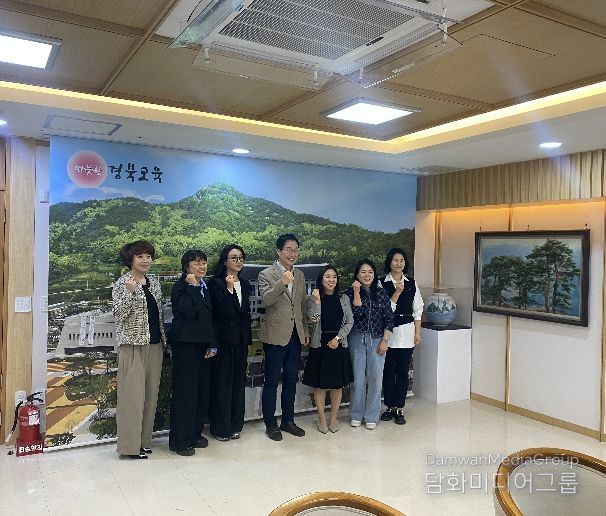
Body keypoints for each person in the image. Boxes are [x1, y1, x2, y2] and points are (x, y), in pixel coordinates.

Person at [112, 240, 166, 459]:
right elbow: (119, 314)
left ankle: (144, 443)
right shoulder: (122, 283)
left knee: (150, 397)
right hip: (133, 346)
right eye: (140, 256)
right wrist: (129, 292)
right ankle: (129, 447)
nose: (145, 260)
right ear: (131, 260)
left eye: (148, 256)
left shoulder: (154, 283)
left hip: (155, 345)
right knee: (131, 399)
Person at [258, 233, 309, 441]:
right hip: (275, 336)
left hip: (295, 335)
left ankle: (288, 420)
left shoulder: (300, 275)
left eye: (295, 250)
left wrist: (305, 332)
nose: (292, 254)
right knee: (271, 381)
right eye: (288, 249)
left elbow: (302, 305)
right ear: (278, 252)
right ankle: (270, 424)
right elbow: (266, 300)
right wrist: (282, 282)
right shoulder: (266, 274)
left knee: (291, 380)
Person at [168, 250, 217, 456]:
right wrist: (193, 287)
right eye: (197, 263)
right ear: (186, 267)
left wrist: (212, 344)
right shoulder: (181, 286)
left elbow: (209, 318)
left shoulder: (205, 285)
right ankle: (179, 441)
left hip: (203, 346)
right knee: (185, 393)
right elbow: (188, 311)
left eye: (204, 262)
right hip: (186, 345)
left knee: (200, 392)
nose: (202, 266)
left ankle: (195, 434)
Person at [207, 244, 252, 441]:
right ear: (225, 261)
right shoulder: (215, 283)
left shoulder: (245, 283)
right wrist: (229, 289)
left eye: (241, 257)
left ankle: (235, 425)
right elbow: (221, 311)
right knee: (222, 384)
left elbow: (245, 314)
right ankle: (220, 428)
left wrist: (247, 339)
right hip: (223, 340)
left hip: (241, 340)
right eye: (234, 258)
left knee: (238, 383)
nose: (238, 261)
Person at [302, 265, 353, 434]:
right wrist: (317, 302)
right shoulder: (313, 297)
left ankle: (333, 418)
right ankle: (322, 417)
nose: (331, 280)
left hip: (338, 343)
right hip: (320, 344)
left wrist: (338, 338)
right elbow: (312, 319)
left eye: (334, 277)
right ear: (321, 279)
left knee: (337, 386)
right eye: (327, 277)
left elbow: (349, 322)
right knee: (320, 386)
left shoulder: (343, 298)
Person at [345, 259, 394, 430]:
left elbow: (389, 318)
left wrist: (385, 341)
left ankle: (372, 415)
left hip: (377, 339)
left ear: (374, 274)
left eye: (370, 272)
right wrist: (356, 292)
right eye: (363, 272)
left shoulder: (381, 293)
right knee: (358, 378)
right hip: (356, 338)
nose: (367, 275)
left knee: (375, 378)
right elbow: (357, 314)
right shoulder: (349, 293)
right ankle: (356, 414)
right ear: (357, 275)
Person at [380, 248, 423, 425]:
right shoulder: (381, 283)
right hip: (388, 333)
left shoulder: (412, 283)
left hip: (407, 333)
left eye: (402, 260)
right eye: (395, 260)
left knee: (403, 372)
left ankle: (399, 408)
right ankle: (389, 406)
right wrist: (397, 292)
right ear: (389, 262)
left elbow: (418, 310)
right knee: (388, 372)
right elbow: (384, 309)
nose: (399, 263)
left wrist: (417, 332)